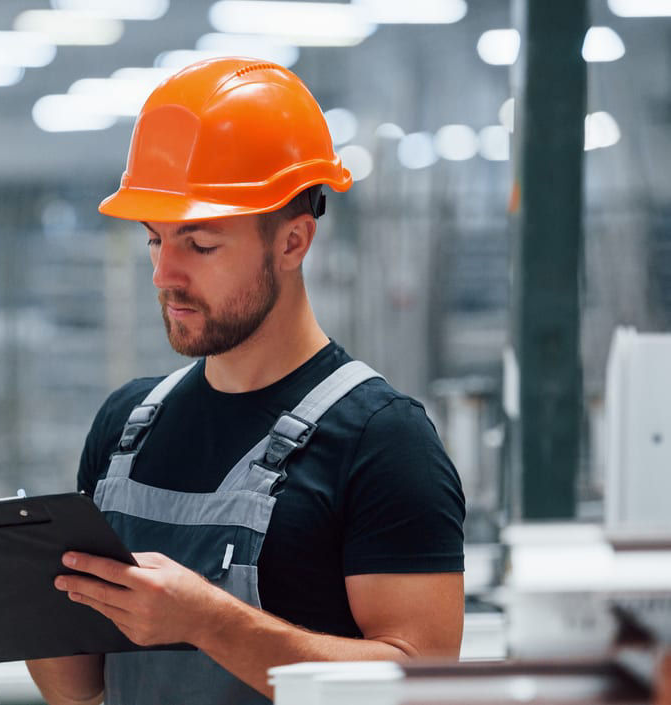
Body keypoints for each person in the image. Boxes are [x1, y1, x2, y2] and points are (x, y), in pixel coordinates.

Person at [24, 57, 466, 705]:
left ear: (293, 243)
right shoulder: (124, 430)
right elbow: (79, 687)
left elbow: (421, 686)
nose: (164, 275)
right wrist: (18, 589)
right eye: (155, 240)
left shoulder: (383, 440)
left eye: (199, 246)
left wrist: (209, 621)